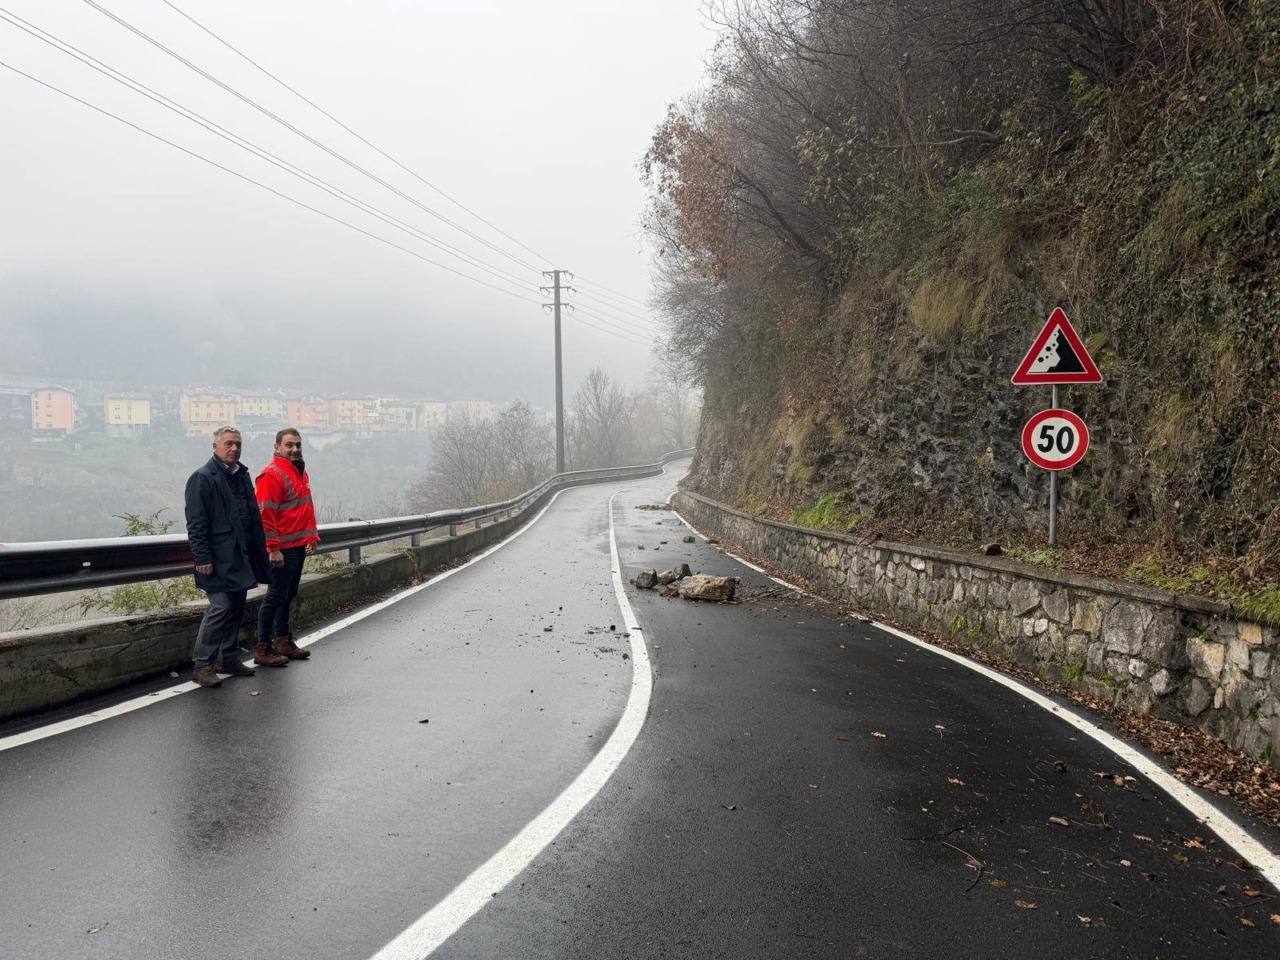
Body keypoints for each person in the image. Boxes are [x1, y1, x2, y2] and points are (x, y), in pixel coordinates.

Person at [185, 426, 272, 688]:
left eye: (238, 444)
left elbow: (251, 517)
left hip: (240, 556)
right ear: (215, 447)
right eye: (228, 444)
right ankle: (202, 665)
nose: (234, 448)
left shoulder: (241, 475)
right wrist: (202, 557)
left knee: (235, 607)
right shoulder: (203, 477)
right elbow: (196, 523)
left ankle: (229, 658)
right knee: (220, 608)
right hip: (217, 558)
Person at [254, 428, 320, 663]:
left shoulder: (299, 471)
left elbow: (304, 507)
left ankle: (282, 641)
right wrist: (273, 548)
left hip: (297, 545)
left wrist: (311, 536)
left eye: (298, 445)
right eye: (289, 445)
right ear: (277, 447)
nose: (294, 449)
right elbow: (266, 515)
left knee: (287, 594)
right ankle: (263, 648)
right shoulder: (272, 475)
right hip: (281, 548)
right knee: (275, 596)